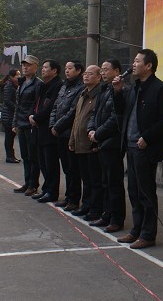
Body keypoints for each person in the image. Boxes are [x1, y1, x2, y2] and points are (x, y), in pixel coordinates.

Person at [113, 49, 163, 250]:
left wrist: (147, 137)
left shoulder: (160, 89)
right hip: (130, 146)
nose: (133, 64)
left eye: (138, 61)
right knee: (133, 191)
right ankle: (136, 230)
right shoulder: (134, 87)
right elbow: (122, 112)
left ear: (149, 65)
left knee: (146, 193)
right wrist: (118, 92)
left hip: (145, 148)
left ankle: (148, 234)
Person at [87, 58, 126, 233]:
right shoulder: (104, 90)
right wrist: (91, 130)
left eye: (106, 69)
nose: (102, 73)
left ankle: (117, 219)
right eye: (101, 70)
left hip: (112, 143)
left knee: (114, 183)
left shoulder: (121, 91)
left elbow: (116, 118)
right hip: (101, 141)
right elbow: (95, 113)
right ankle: (107, 214)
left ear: (116, 71)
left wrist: (99, 134)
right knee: (105, 182)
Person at [68, 65, 103, 221]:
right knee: (86, 179)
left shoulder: (99, 95)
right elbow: (77, 119)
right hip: (80, 142)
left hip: (91, 144)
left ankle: (95, 209)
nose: (86, 76)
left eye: (90, 74)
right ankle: (86, 206)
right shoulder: (83, 94)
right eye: (85, 74)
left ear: (98, 77)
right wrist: (72, 140)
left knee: (94, 180)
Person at [49, 60, 84, 210]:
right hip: (59, 133)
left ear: (78, 70)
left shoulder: (80, 88)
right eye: (66, 68)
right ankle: (68, 197)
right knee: (66, 168)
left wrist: (58, 126)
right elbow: (55, 106)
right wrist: (52, 124)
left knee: (73, 169)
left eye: (70, 68)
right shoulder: (64, 86)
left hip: (69, 133)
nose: (67, 71)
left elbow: (72, 112)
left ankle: (74, 199)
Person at [30, 60, 62, 203]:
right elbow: (36, 104)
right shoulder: (43, 85)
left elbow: (51, 107)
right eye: (42, 67)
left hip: (48, 130)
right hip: (38, 129)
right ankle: (46, 189)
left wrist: (36, 118)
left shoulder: (58, 86)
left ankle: (52, 191)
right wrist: (31, 115)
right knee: (42, 162)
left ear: (54, 70)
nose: (42, 70)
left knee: (51, 164)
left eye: (45, 67)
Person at [11, 55, 41, 196]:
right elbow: (17, 105)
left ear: (35, 67)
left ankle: (33, 184)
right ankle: (27, 182)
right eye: (24, 65)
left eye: (28, 65)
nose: (25, 67)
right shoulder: (22, 83)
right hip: (21, 124)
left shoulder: (38, 84)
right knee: (25, 155)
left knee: (32, 156)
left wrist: (31, 119)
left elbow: (36, 105)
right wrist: (15, 123)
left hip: (30, 124)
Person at [0, 68, 21, 163]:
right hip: (8, 115)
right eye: (17, 75)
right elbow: (7, 101)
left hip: (10, 115)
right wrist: (17, 109)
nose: (19, 77)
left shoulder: (15, 85)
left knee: (11, 136)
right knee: (9, 136)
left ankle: (11, 155)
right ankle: (9, 156)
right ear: (12, 77)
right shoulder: (9, 86)